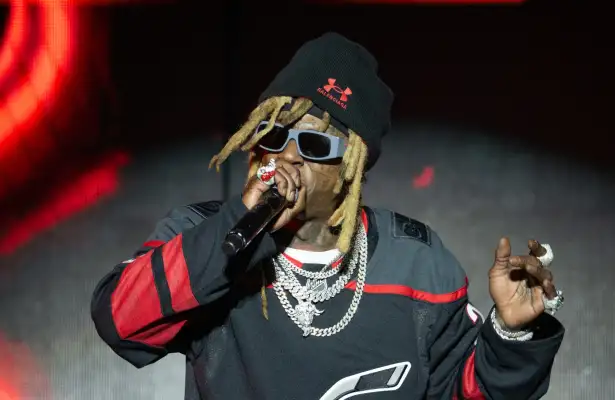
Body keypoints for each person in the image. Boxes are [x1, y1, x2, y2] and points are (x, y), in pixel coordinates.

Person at [91, 32, 565, 400]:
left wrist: (512, 334)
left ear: (352, 168)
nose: (286, 156)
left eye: (314, 143)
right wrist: (231, 233)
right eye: (273, 135)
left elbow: (468, 391)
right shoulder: (205, 236)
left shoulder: (417, 264)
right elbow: (120, 321)